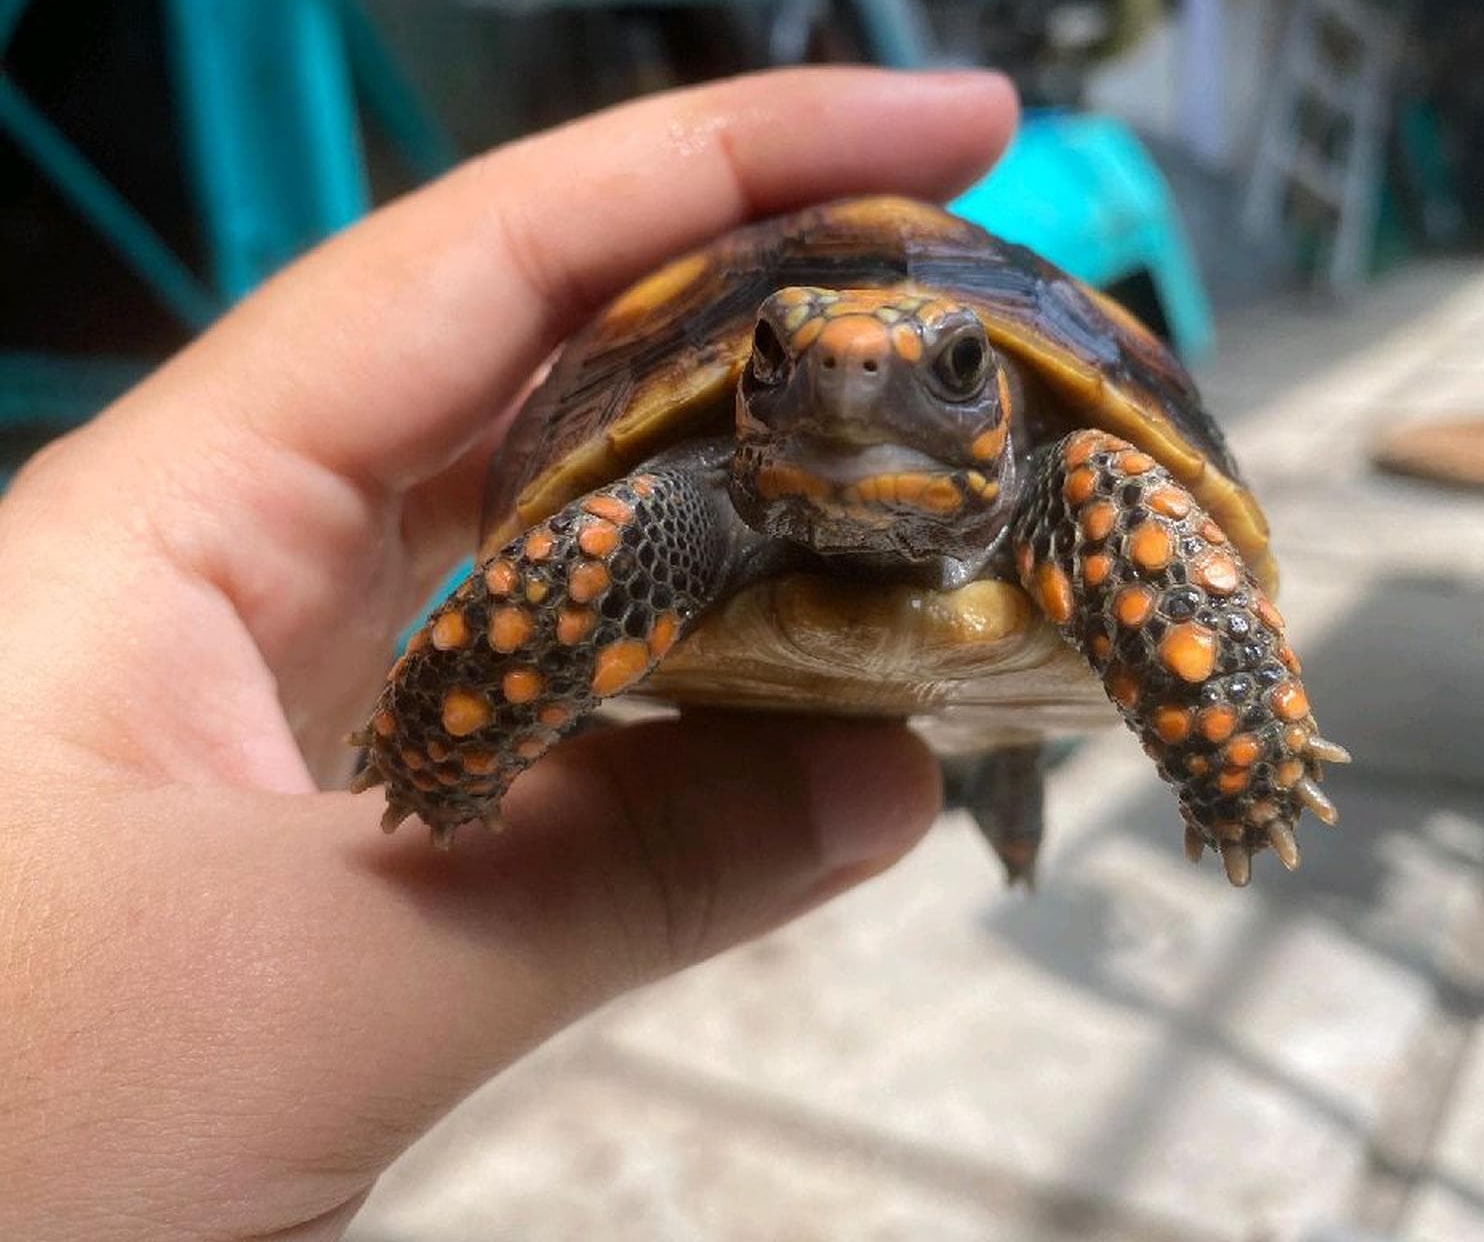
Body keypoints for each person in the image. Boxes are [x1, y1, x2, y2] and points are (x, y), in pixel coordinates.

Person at [0, 67, 1018, 1240]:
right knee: (603, 546)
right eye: (783, 361)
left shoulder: (1070, 485)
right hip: (712, 537)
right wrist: (443, 756)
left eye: (947, 370)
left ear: (996, 399)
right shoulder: (673, 514)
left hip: (998, 626)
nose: (849, 376)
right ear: (753, 387)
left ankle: (1036, 773)